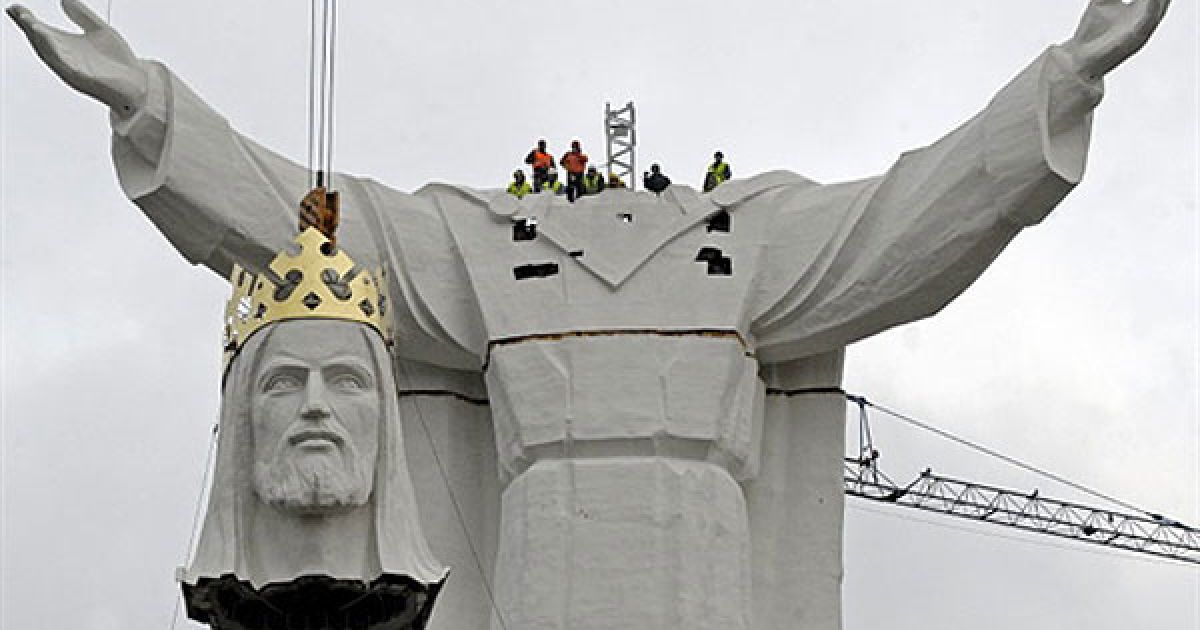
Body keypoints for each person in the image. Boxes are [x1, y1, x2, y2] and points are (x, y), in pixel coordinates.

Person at [9, 1, 1172, 628]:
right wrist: (151, 101)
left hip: (706, 566)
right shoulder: (484, 241)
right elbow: (311, 219)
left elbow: (921, 212)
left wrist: (1067, 78)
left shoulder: (752, 236)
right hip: (542, 563)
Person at [184, 230, 445, 627]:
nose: (315, 406)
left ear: (384, 414)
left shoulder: (401, 604)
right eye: (284, 382)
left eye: (347, 380)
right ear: (244, 415)